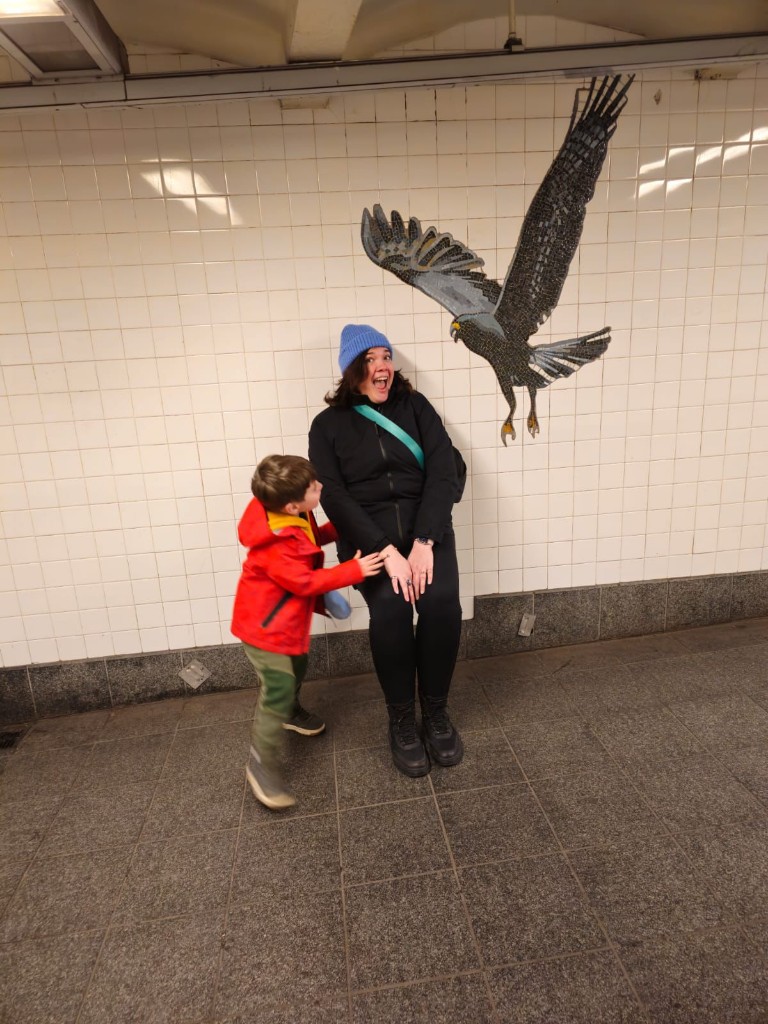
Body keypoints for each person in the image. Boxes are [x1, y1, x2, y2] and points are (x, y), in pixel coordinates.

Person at [308, 324, 464, 778]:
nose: (383, 367)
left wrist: (423, 542)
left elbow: (443, 473)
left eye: (386, 357)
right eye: (371, 359)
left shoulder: (416, 408)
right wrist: (384, 551)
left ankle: (435, 711)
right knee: (392, 613)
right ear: (352, 369)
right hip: (370, 540)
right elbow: (333, 495)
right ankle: (401, 719)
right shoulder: (327, 426)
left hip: (426, 532)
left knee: (440, 606)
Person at [231, 453, 384, 810]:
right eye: (314, 488)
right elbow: (303, 581)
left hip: (284, 623)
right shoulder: (275, 543)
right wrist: (354, 570)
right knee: (278, 686)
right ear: (291, 502)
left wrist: (345, 524)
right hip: (263, 629)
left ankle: (289, 711)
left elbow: (312, 538)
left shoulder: (290, 514)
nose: (320, 487)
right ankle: (260, 764)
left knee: (297, 665)